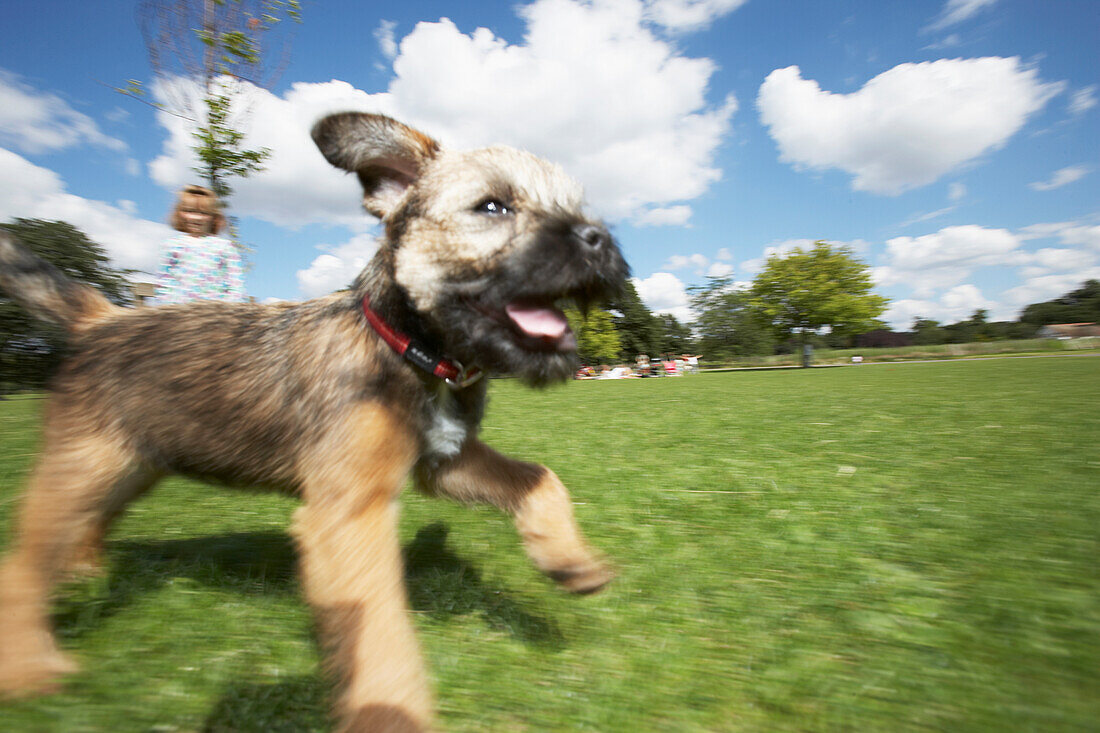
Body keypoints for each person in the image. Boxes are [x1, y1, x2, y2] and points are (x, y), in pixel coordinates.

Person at [155, 185, 246, 304]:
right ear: (180, 213)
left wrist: (231, 308)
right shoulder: (172, 245)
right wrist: (168, 308)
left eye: (203, 213)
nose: (196, 218)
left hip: (217, 314)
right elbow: (164, 281)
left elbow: (236, 282)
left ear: (214, 217)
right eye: (189, 211)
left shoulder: (225, 247)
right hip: (179, 313)